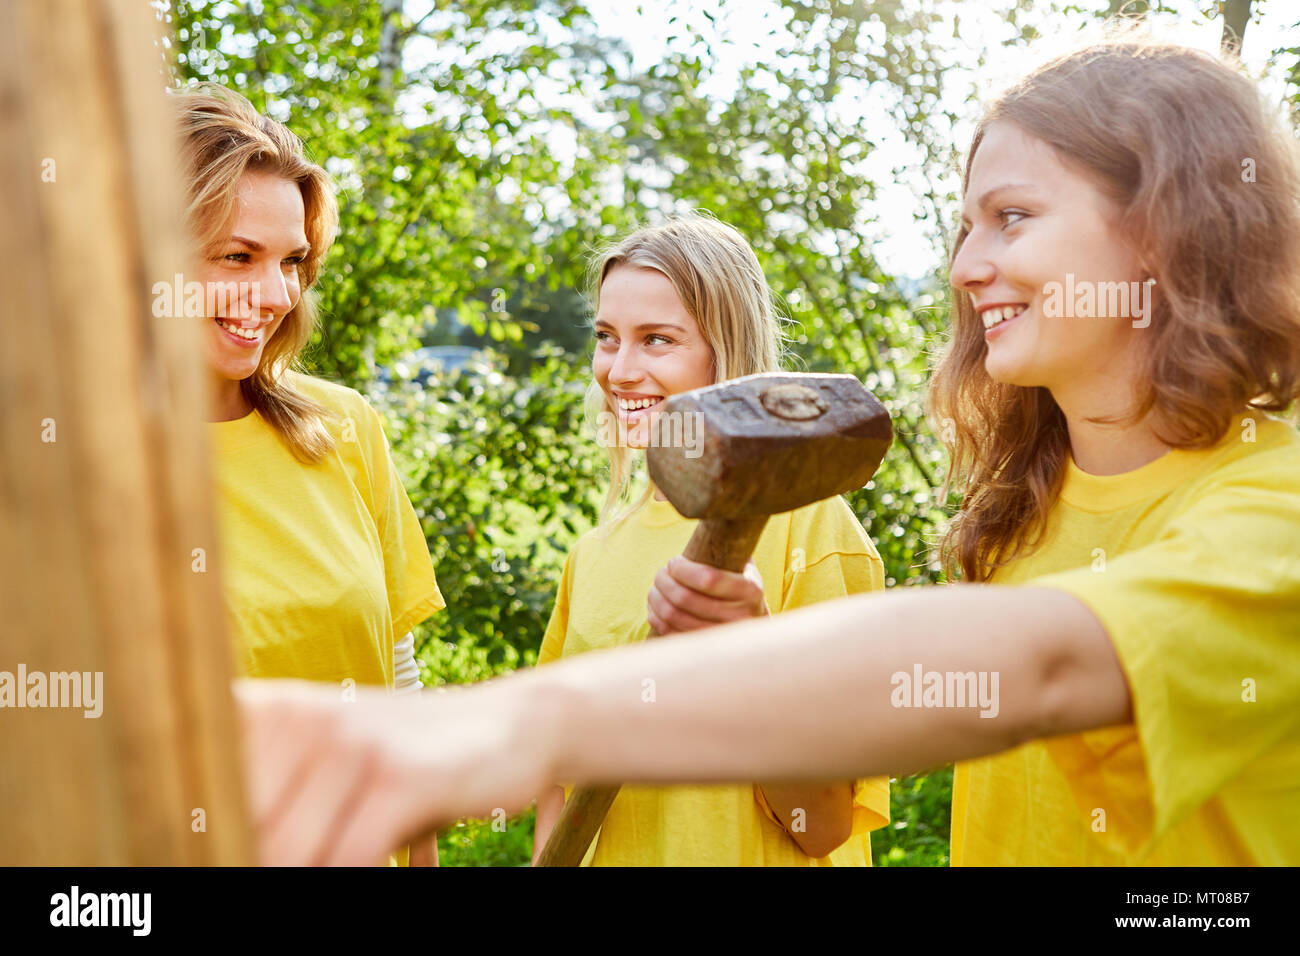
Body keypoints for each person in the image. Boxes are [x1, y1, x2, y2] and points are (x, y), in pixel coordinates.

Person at [235, 37, 1300, 868]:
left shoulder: (1276, 504)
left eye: (1011, 218)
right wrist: (736, 658)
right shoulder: (1021, 510)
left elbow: (1041, 663)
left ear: (1164, 227)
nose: (968, 264)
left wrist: (504, 724)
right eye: (964, 226)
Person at [531, 215, 890, 866]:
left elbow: (824, 824)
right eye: (607, 338)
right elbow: (561, 779)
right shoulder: (594, 555)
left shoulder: (813, 528)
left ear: (725, 353)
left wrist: (748, 657)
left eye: (657, 340)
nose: (620, 370)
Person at [176, 85, 445, 866]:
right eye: (237, 257)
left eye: (293, 260)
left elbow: (397, 689)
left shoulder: (344, 428)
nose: (275, 294)